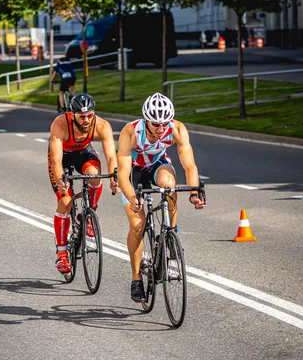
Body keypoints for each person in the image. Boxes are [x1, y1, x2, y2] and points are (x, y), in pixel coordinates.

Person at [117, 92, 205, 303]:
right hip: (134, 171)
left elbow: (189, 164)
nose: (161, 128)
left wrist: (194, 193)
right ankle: (136, 277)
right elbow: (122, 174)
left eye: (165, 122)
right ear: (146, 120)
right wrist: (132, 197)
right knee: (138, 224)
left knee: (169, 185)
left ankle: (171, 232)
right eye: (156, 123)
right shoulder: (131, 132)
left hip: (157, 164)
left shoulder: (176, 129)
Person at [48, 93, 119, 274]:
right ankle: (62, 254)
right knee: (65, 202)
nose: (87, 120)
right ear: (73, 115)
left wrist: (114, 177)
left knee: (95, 175)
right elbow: (56, 160)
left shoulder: (102, 125)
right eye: (82, 116)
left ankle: (88, 214)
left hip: (83, 152)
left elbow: (111, 156)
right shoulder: (60, 124)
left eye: (90, 115)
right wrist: (61, 181)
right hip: (62, 156)